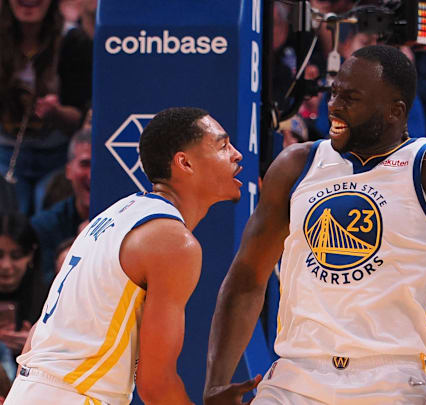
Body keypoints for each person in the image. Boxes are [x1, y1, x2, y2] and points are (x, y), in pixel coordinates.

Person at [204, 45, 426, 405]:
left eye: (351, 98)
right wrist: (215, 381)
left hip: (392, 380)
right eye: (334, 92)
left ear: (395, 111)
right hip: (295, 376)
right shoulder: (297, 164)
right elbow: (246, 278)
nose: (334, 106)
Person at [6, 107, 260, 405]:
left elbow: (37, 335)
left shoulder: (114, 215)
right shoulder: (173, 242)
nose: (237, 154)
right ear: (185, 163)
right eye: (222, 145)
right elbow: (155, 386)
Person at [0, 0, 91, 215]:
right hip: (5, 152)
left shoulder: (73, 40)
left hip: (56, 154)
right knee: (10, 213)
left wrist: (55, 113)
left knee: (49, 206)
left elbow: (80, 116)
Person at [31, 128, 90, 284]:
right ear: (68, 170)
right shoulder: (44, 226)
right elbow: (38, 289)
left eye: (98, 166)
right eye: (85, 164)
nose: (92, 175)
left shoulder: (128, 223)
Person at [0, 212, 46, 381]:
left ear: (31, 255)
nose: (6, 265)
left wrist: (36, 346)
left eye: (16, 256)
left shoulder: (49, 297)